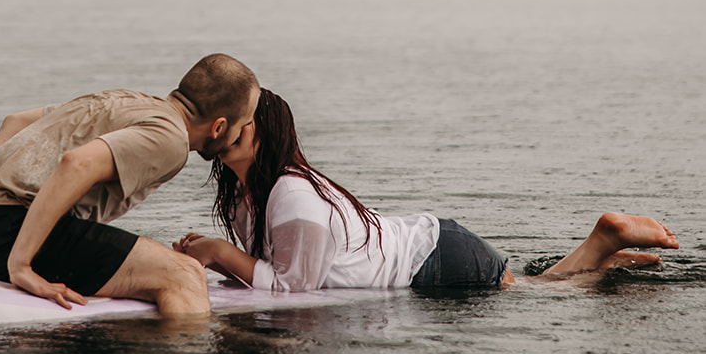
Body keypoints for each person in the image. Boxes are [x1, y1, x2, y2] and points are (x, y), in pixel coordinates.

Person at [174, 89, 679, 292]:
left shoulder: (292, 195)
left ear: (266, 136)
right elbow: (277, 266)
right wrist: (210, 255)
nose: (228, 130)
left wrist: (218, 252)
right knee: (533, 285)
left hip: (436, 258)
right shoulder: (244, 195)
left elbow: (292, 288)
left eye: (242, 125)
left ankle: (602, 245)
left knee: (541, 294)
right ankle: (604, 257)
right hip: (427, 244)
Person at [0, 53, 259, 317]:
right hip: (0, 233)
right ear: (219, 126)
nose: (246, 131)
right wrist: (19, 264)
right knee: (184, 275)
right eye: (244, 124)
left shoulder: (126, 101)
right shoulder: (171, 139)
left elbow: (16, 121)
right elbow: (76, 164)